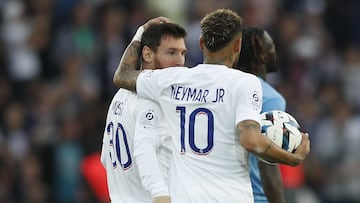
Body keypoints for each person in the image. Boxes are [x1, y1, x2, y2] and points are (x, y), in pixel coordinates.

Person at [113, 9, 310, 203]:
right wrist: (291, 159)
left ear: (201, 44)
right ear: (237, 46)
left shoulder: (173, 79)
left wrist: (142, 32)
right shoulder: (246, 83)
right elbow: (251, 140)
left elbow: (122, 76)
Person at [100, 17, 187, 203]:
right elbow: (144, 150)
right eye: (171, 53)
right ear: (147, 55)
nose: (180, 61)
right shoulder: (155, 98)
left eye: (183, 53)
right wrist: (159, 194)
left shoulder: (119, 96)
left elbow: (105, 159)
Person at [234, 26, 286, 203]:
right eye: (271, 46)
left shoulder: (228, 88)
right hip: (254, 196)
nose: (275, 50)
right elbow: (268, 165)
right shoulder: (270, 98)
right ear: (262, 55)